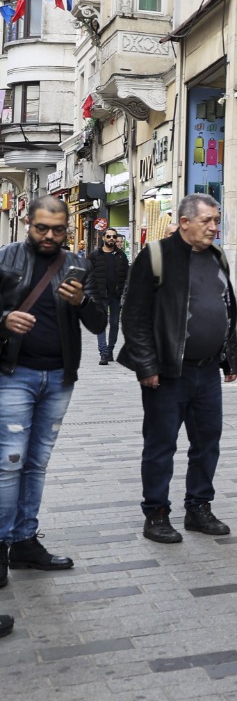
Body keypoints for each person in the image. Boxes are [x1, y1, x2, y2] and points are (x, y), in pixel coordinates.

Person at [119, 193, 237, 544]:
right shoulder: (155, 256)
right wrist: (146, 365)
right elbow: (134, 316)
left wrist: (229, 358)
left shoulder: (217, 257)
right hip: (167, 371)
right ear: (185, 222)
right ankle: (156, 513)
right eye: (208, 221)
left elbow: (226, 309)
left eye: (217, 221)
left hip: (206, 371)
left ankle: (199, 507)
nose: (215, 228)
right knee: (161, 445)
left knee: (207, 442)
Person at [0, 196, 107, 582]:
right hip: (14, 375)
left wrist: (82, 301)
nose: (49, 236)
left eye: (58, 230)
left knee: (37, 464)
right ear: (28, 223)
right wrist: (5, 320)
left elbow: (99, 323)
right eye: (41, 228)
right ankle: (1, 547)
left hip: (59, 378)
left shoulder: (78, 263)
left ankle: (25, 541)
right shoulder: (6, 259)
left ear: (67, 229)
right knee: (9, 463)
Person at [88, 229, 130, 365]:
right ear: (103, 238)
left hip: (116, 296)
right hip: (100, 296)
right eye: (109, 236)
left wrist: (126, 292)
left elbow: (127, 276)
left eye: (114, 236)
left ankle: (110, 350)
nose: (111, 238)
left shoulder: (121, 255)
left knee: (114, 324)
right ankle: (103, 353)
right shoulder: (94, 255)